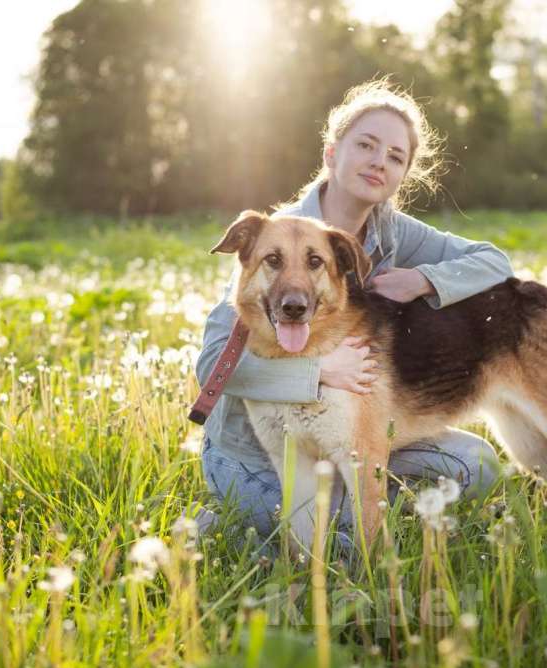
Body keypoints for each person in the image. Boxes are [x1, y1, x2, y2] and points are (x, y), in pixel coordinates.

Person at [195, 79, 513, 540]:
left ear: (404, 175)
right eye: (366, 144)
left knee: (478, 466)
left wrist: (423, 279)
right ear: (331, 153)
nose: (379, 161)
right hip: (255, 451)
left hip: (355, 435)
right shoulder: (275, 242)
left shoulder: (396, 234)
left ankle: (356, 507)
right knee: (341, 530)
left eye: (395, 156)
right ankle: (232, 518)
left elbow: (494, 262)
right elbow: (211, 368)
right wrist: (318, 371)